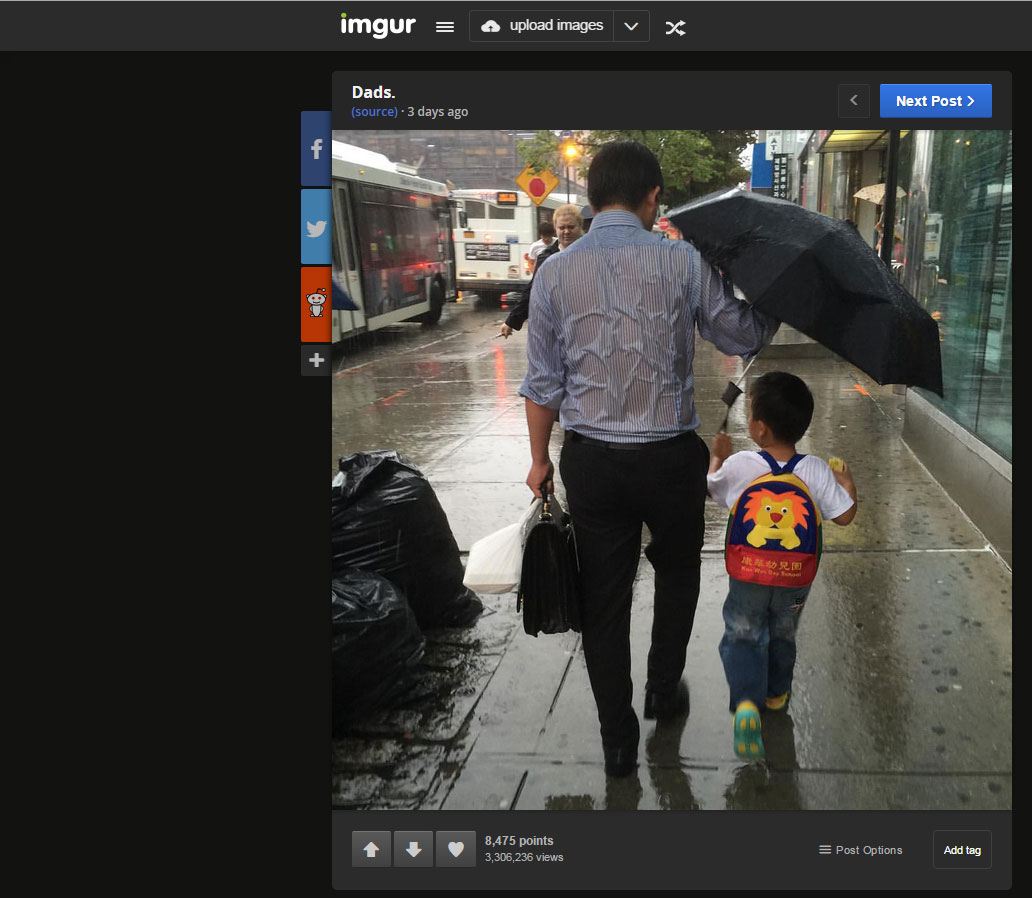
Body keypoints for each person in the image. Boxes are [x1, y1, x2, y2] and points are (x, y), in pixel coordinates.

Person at [518, 141, 780, 778]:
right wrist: (767, 292)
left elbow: (542, 384)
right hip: (670, 462)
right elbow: (742, 333)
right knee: (678, 573)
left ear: (592, 198)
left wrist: (538, 461)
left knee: (602, 598)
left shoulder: (552, 273)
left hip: (593, 465)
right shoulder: (684, 261)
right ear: (652, 197)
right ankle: (663, 689)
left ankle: (617, 740)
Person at [707, 371, 857, 760]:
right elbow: (844, 516)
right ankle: (775, 696)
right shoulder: (817, 470)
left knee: (743, 631)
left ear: (759, 429)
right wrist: (846, 483)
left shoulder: (741, 464)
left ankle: (746, 702)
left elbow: (712, 488)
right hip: (794, 579)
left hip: (749, 574)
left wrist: (717, 456)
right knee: (783, 633)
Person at [499, 204, 583, 338]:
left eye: (571, 227)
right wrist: (511, 321)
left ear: (580, 226)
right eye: (562, 228)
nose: (566, 231)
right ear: (556, 228)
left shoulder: (592, 254)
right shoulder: (546, 257)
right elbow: (533, 290)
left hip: (585, 325)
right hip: (555, 326)